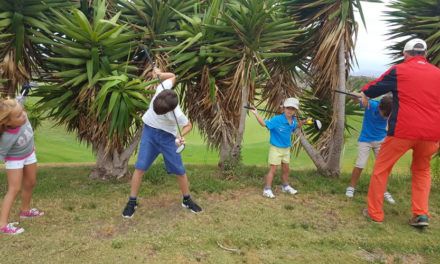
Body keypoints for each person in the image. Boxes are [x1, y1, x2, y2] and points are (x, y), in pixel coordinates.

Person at [360, 38, 440, 227]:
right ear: (425, 54)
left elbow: (373, 88)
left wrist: (364, 93)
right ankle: (421, 215)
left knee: (382, 169)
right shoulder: (438, 73)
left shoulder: (400, 70)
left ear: (405, 54)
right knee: (422, 171)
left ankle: (375, 213)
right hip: (431, 134)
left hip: (402, 131)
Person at [122, 67, 202, 218]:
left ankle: (187, 199)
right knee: (140, 168)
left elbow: (189, 125)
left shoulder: (177, 114)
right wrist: (160, 74)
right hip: (149, 133)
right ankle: (132, 202)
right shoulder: (162, 88)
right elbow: (173, 76)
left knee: (180, 171)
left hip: (167, 138)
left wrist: (179, 136)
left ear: (170, 110)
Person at [0, 83, 44, 235]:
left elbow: (19, 100)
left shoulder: (17, 109)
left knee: (31, 182)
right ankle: (3, 225)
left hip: (29, 153)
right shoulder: (6, 137)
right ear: (7, 123)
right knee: (14, 189)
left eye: (22, 112)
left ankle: (25, 211)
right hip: (15, 159)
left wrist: (25, 90)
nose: (24, 115)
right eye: (19, 116)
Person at [250, 98, 311, 198]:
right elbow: (264, 124)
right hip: (276, 149)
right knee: (273, 169)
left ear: (295, 111)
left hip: (286, 149)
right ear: (283, 109)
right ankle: (267, 189)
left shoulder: (293, 120)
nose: (290, 110)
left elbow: (295, 126)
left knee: (286, 169)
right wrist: (256, 113)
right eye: (288, 108)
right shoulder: (277, 119)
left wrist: (304, 121)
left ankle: (285, 186)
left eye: (292, 109)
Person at [345, 93, 395, 204]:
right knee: (360, 164)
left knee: (383, 167)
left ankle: (383, 190)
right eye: (385, 115)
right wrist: (364, 97)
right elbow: (351, 96)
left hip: (381, 140)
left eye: (388, 115)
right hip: (365, 139)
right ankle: (351, 187)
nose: (386, 117)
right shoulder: (370, 105)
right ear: (379, 107)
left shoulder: (392, 109)